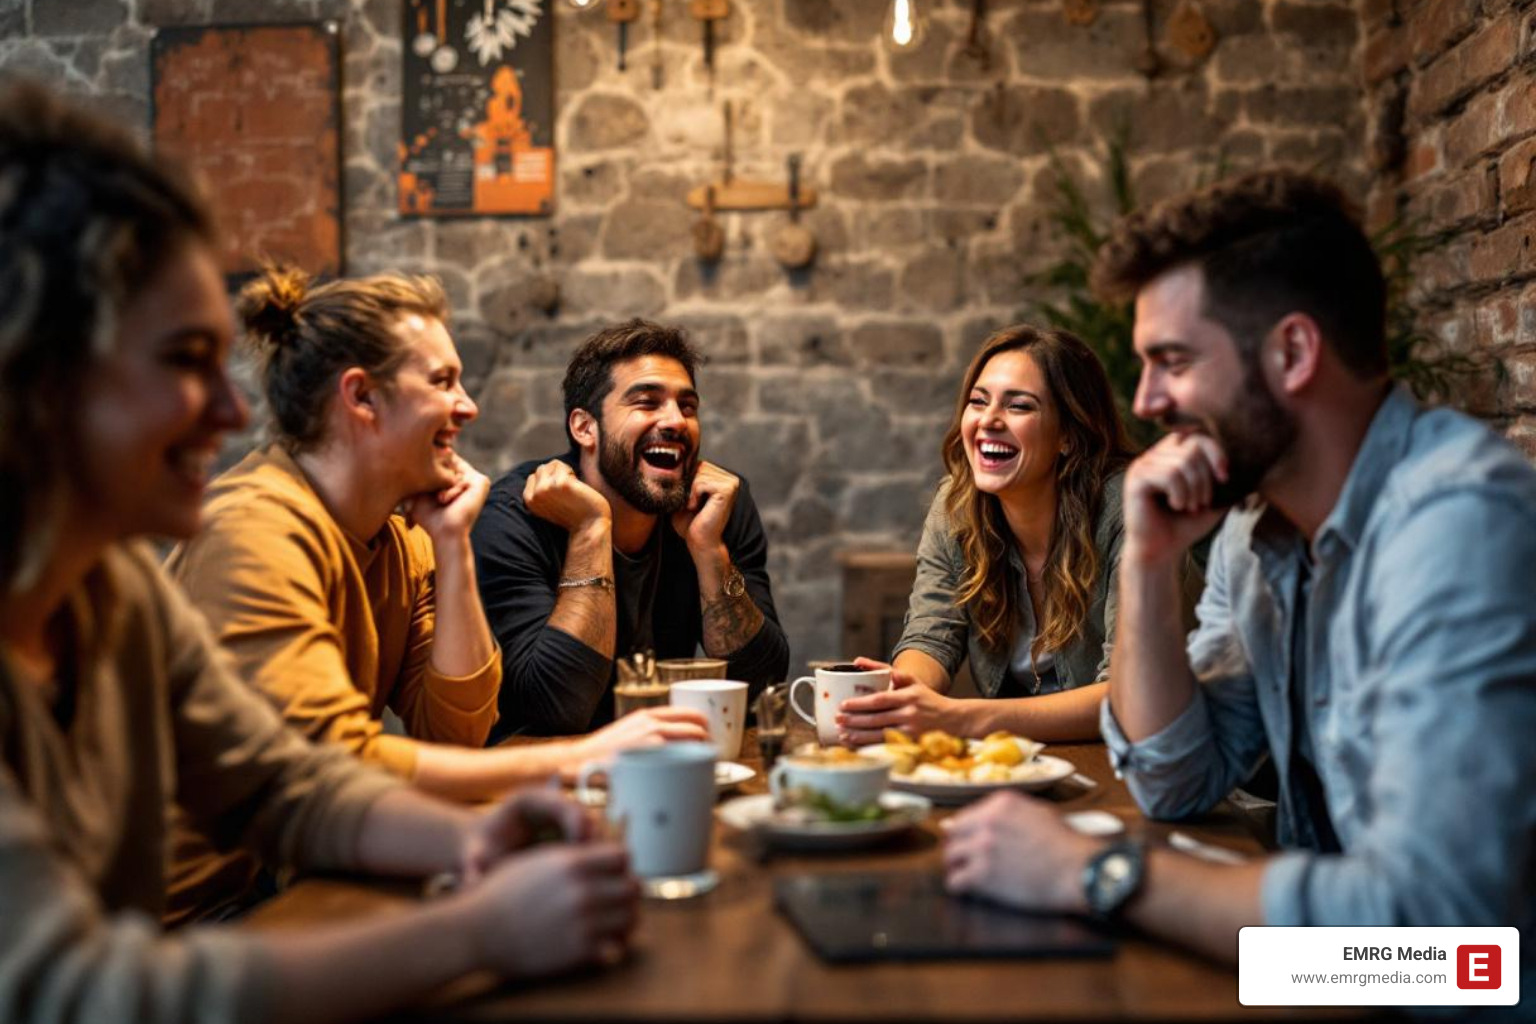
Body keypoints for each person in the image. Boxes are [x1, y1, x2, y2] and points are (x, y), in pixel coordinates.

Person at [0, 82, 638, 1024]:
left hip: (252, 906)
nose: (228, 414)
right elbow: (73, 992)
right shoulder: (256, 523)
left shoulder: (116, 588)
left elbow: (287, 785)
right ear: (49, 374)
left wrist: (470, 841)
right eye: (183, 361)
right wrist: (480, 926)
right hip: (212, 925)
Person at [942, 169, 1536, 969]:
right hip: (1328, 986)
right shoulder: (1254, 528)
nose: (1147, 401)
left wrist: (1096, 873)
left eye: (1173, 360)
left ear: (1292, 352)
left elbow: (1446, 949)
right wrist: (1148, 563)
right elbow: (1175, 779)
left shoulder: (1459, 526)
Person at [164, 268, 706, 922]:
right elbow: (327, 763)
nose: (468, 405)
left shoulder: (403, 536)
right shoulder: (255, 529)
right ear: (361, 398)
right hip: (192, 914)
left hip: (300, 871)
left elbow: (455, 732)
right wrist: (578, 759)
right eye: (443, 382)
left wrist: (452, 548)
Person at [472, 319, 790, 740]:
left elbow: (761, 687)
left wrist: (710, 551)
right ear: (585, 428)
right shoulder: (516, 514)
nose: (676, 420)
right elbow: (553, 708)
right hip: (541, 778)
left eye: (688, 406)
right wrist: (590, 530)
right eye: (647, 402)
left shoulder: (717, 504)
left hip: (665, 759)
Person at [838, 325, 1138, 744]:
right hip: (1019, 764)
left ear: (1068, 434)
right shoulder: (955, 507)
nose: (988, 421)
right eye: (978, 402)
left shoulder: (1128, 509)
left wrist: (961, 718)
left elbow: (1128, 698)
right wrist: (906, 689)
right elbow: (931, 632)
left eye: (1019, 406)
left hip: (1136, 766)